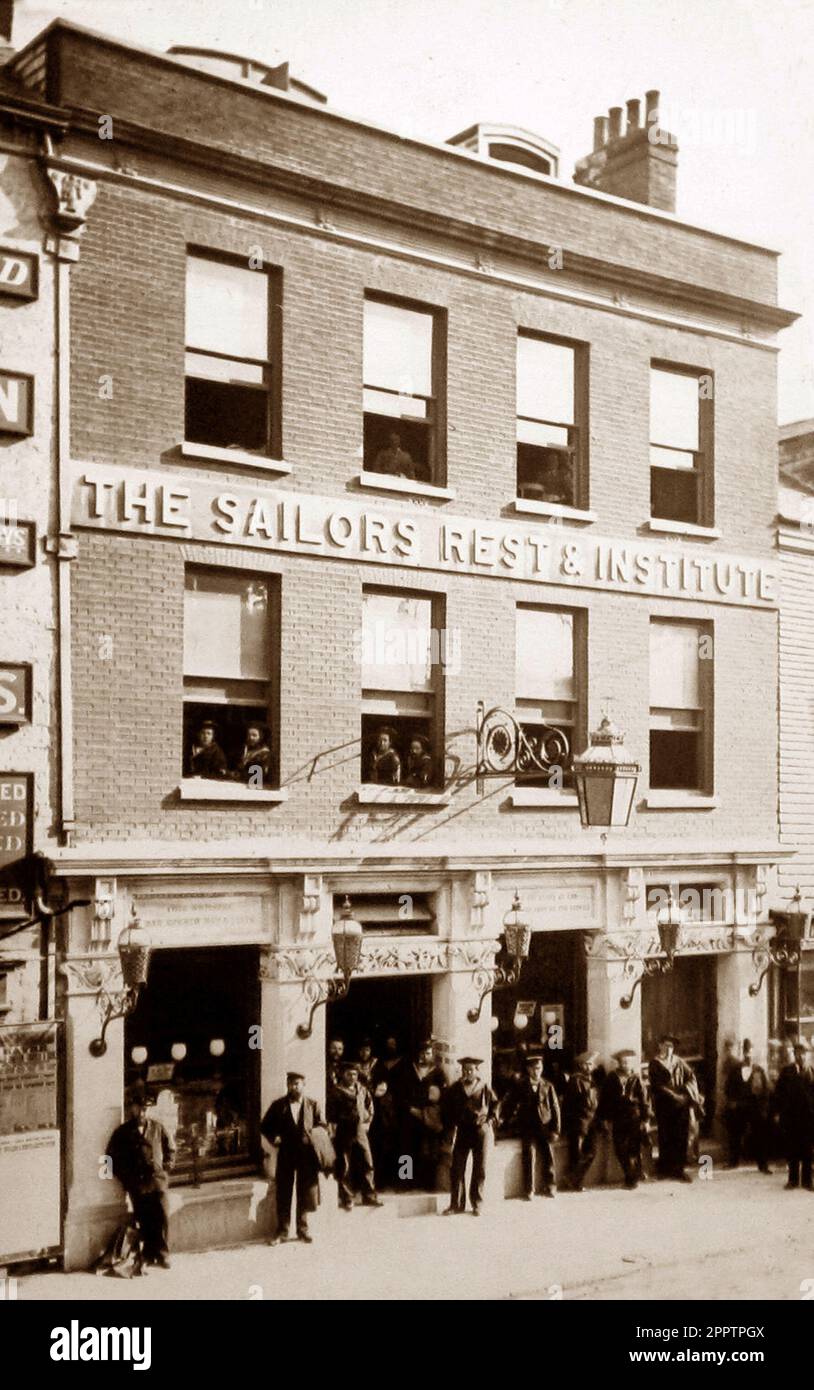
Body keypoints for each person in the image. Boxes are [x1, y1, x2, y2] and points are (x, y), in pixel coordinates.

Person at [107, 1083, 175, 1273]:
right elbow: (109, 1158)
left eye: (145, 1109)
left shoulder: (157, 1128)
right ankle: (147, 1254)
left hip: (158, 1181)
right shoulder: (122, 1133)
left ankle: (163, 1254)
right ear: (131, 1108)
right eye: (138, 1108)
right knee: (144, 1220)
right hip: (138, 1185)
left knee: (162, 1217)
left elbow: (171, 1148)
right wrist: (126, 1179)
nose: (141, 1113)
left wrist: (167, 1167)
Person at [261, 1071, 327, 1245]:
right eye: (291, 1084)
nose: (294, 1087)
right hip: (286, 1154)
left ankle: (302, 1230)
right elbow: (265, 1125)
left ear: (304, 1085)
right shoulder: (279, 1105)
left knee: (305, 1192)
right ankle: (282, 1232)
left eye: (297, 1083)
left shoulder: (313, 1105)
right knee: (284, 1192)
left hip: (306, 1155)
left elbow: (323, 1125)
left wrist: (312, 1135)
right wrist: (274, 1138)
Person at [499, 1052, 560, 1199]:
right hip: (528, 1127)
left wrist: (556, 1129)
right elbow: (511, 1104)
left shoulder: (548, 1086)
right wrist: (504, 1120)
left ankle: (551, 1186)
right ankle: (529, 1190)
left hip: (545, 1126)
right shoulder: (521, 1085)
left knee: (548, 1157)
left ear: (542, 1068)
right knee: (529, 1157)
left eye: (538, 1068)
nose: (536, 1071)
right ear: (528, 1069)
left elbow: (555, 1107)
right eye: (533, 1068)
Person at [442, 1057, 498, 1216]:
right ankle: (456, 1204)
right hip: (463, 1132)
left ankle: (477, 1204)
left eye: (471, 1070)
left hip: (480, 1131)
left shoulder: (484, 1087)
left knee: (480, 1168)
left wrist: (490, 1120)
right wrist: (451, 1126)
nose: (467, 1073)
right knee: (457, 1168)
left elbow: (496, 1105)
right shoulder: (455, 1088)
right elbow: (447, 1108)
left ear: (476, 1071)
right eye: (465, 1070)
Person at [327, 1060, 384, 1211]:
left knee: (367, 1161)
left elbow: (370, 1107)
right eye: (349, 1074)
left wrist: (367, 1123)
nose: (352, 1077)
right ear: (342, 1075)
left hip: (360, 1130)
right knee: (344, 1165)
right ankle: (347, 1197)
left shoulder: (362, 1089)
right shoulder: (336, 1091)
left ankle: (369, 1195)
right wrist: (332, 1132)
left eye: (355, 1074)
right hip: (343, 1131)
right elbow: (331, 1115)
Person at [392, 1039, 447, 1191]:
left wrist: (429, 1111)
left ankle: (427, 1183)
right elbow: (399, 1094)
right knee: (406, 1149)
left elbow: (443, 1095)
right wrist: (410, 1109)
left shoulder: (437, 1072)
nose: (424, 1056)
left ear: (432, 1054)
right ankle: (405, 1182)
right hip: (409, 1116)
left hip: (428, 1117)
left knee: (429, 1151)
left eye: (427, 1053)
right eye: (422, 1053)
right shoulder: (408, 1070)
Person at [649, 1035, 704, 1182]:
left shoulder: (678, 1061)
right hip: (665, 1105)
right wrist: (674, 1096)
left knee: (681, 1136)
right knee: (666, 1136)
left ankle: (679, 1169)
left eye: (671, 1046)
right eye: (666, 1045)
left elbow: (691, 1077)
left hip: (681, 1106)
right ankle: (665, 1169)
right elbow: (657, 1085)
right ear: (660, 1046)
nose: (669, 1049)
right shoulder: (655, 1063)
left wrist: (687, 1092)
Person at [598, 1049, 651, 1190]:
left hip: (634, 1116)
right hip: (618, 1117)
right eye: (623, 1062)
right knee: (620, 1148)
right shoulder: (612, 1077)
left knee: (634, 1148)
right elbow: (604, 1100)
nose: (625, 1064)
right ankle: (633, 1174)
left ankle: (631, 1178)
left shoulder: (636, 1077)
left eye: (628, 1062)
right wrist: (604, 1118)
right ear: (619, 1063)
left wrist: (645, 1119)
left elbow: (644, 1100)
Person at [723, 1039, 772, 1172]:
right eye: (745, 1053)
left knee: (759, 1136)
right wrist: (731, 1101)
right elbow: (728, 1088)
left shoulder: (758, 1070)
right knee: (735, 1135)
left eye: (750, 1053)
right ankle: (733, 1161)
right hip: (739, 1107)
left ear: (753, 1053)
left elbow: (765, 1090)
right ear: (742, 1053)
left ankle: (763, 1165)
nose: (748, 1056)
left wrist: (763, 1108)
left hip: (754, 1107)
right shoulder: (735, 1070)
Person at [773, 1041, 814, 1190]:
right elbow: (778, 1094)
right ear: (794, 1055)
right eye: (798, 1054)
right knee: (792, 1149)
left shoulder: (811, 1072)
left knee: (807, 1150)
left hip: (808, 1118)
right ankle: (793, 1180)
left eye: (804, 1054)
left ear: (807, 1055)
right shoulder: (786, 1072)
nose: (801, 1056)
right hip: (791, 1117)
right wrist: (777, 1112)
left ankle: (808, 1181)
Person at [562, 1051, 601, 1192]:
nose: (591, 1066)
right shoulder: (576, 1081)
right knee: (577, 1154)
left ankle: (572, 1178)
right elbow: (569, 1104)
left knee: (591, 1152)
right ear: (582, 1065)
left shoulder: (591, 1080)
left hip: (591, 1123)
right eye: (588, 1064)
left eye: (592, 1064)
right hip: (579, 1123)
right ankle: (575, 1182)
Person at [234, 721, 273, 787]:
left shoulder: (264, 754)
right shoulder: (246, 751)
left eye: (254, 735)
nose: (251, 738)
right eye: (249, 735)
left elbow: (258, 777)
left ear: (261, 737)